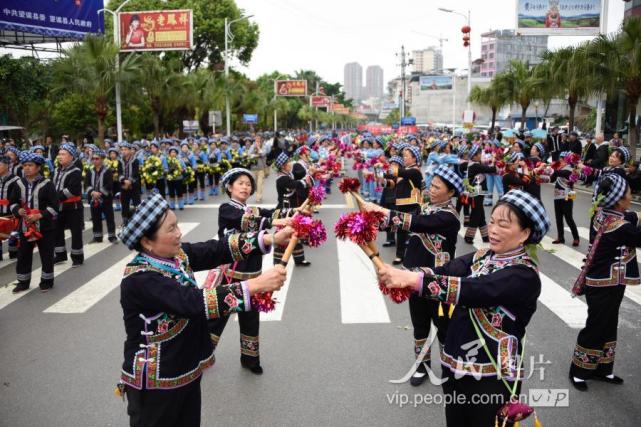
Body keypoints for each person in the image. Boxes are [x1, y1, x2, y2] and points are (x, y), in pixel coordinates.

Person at [378, 189, 550, 427]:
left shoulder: (524, 275)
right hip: (455, 366)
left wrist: (413, 281)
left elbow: (475, 289)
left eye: (503, 224)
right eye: (491, 222)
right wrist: (405, 275)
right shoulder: (482, 257)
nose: (493, 230)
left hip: (491, 375)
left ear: (525, 234)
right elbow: (447, 270)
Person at [117, 193, 291, 427]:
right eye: (171, 229)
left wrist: (270, 238)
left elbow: (214, 250)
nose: (179, 232)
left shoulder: (176, 257)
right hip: (156, 382)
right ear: (147, 242)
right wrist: (256, 285)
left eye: (177, 224)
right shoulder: (140, 278)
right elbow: (193, 302)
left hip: (185, 369)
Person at [365, 165, 462, 387]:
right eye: (432, 185)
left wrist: (385, 213)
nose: (432, 190)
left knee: (444, 327)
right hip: (414, 278)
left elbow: (418, 223)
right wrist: (374, 221)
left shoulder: (449, 217)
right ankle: (422, 365)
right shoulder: (428, 207)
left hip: (438, 281)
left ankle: (449, 366)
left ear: (451, 193)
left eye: (438, 187)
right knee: (419, 325)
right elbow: (410, 224)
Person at [209, 167, 293, 374]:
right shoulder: (227, 209)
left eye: (248, 184)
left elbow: (269, 213)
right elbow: (248, 222)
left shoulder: (251, 209)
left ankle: (250, 360)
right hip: (231, 276)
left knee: (250, 320)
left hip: (253, 276)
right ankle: (200, 356)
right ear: (229, 187)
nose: (245, 187)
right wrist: (275, 221)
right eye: (240, 183)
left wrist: (293, 213)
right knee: (216, 321)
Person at [569, 173, 639, 391]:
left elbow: (630, 217)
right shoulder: (620, 227)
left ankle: (602, 368)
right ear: (619, 200)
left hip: (610, 283)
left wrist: (634, 216)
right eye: (628, 192)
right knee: (597, 326)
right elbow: (635, 231)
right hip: (602, 284)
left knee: (609, 325)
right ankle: (578, 371)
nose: (631, 194)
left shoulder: (601, 215)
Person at [11, 153, 58, 293]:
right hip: (25, 227)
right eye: (24, 165)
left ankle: (47, 281)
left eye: (30, 165)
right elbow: (12, 202)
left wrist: (39, 215)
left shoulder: (47, 184)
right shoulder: (18, 183)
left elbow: (55, 207)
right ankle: (23, 282)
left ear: (38, 167)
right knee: (23, 254)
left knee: (46, 254)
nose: (27, 168)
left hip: (45, 227)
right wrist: (18, 210)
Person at [383, 145, 424, 265]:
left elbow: (397, 172)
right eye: (404, 156)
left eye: (406, 156)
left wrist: (384, 168)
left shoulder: (415, 171)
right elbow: (392, 183)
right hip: (401, 206)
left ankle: (416, 257)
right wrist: (381, 179)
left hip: (412, 206)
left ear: (414, 159)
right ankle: (400, 256)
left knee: (413, 233)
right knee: (401, 232)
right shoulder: (405, 171)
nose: (404, 158)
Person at [53, 143, 84, 267]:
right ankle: (60, 255)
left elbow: (72, 190)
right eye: (59, 154)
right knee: (57, 231)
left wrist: (54, 197)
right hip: (58, 207)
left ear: (71, 157)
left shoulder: (76, 171)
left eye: (63, 154)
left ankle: (77, 257)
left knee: (76, 232)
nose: (60, 157)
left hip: (73, 207)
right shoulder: (56, 170)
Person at [463, 144, 497, 244]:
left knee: (480, 215)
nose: (480, 156)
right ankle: (468, 237)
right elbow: (491, 169)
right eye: (479, 154)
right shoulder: (476, 165)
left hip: (476, 192)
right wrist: (494, 160)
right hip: (476, 193)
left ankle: (485, 236)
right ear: (474, 156)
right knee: (476, 214)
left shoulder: (472, 164)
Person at [85, 149, 117, 243]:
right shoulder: (90, 171)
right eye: (93, 159)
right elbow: (86, 184)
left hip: (106, 199)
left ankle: (112, 236)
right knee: (95, 218)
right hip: (93, 199)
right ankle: (97, 236)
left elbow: (110, 185)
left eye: (97, 159)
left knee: (109, 217)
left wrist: (99, 193)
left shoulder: (107, 171)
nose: (94, 160)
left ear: (102, 159)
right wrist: (92, 193)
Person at [550, 152, 580, 246]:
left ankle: (576, 238)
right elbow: (552, 179)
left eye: (562, 159)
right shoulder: (560, 169)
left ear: (567, 160)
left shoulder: (570, 169)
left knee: (568, 217)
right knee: (558, 217)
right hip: (558, 194)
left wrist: (553, 168)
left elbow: (561, 173)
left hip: (569, 194)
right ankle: (560, 237)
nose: (560, 160)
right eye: (560, 159)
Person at [0, 155, 20, 260]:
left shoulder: (16, 180)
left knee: (13, 235)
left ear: (7, 166)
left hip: (10, 213)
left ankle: (14, 252)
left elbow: (18, 198)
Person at [119, 142, 142, 225]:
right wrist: (124, 181)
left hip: (134, 185)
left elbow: (136, 173)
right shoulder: (120, 161)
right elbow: (120, 173)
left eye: (125, 149)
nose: (123, 151)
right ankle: (125, 220)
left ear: (130, 150)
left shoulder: (135, 160)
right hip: (123, 186)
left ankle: (139, 220)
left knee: (137, 203)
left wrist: (129, 181)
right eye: (122, 150)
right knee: (124, 204)